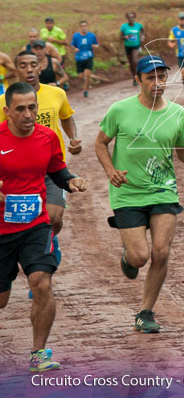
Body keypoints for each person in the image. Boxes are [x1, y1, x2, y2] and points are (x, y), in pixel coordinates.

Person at [95, 55, 184, 333]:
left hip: (163, 190)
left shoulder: (177, 113)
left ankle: (145, 312)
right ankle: (128, 256)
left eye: (162, 77)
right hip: (127, 193)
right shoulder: (120, 110)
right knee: (140, 257)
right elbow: (100, 143)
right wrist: (110, 170)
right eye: (151, 78)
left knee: (161, 252)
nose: (158, 83)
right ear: (138, 80)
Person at [1, 82, 87, 372]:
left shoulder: (48, 137)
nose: (28, 114)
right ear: (7, 111)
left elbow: (56, 170)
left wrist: (70, 180)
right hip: (1, 228)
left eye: (32, 107)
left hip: (36, 224)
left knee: (41, 282)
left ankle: (39, 353)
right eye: (20, 108)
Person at [1, 52, 82, 272]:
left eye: (33, 65)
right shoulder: (4, 101)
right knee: (17, 217)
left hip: (48, 165)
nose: (29, 69)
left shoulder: (57, 94)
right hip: (14, 169)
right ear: (16, 69)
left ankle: (44, 248)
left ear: (41, 68)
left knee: (53, 217)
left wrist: (73, 138)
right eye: (23, 66)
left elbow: (67, 116)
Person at [70, 20, 99, 98]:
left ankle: (85, 90)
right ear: (80, 27)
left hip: (89, 57)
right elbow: (72, 45)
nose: (84, 28)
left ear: (87, 27)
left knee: (87, 74)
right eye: (82, 26)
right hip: (79, 58)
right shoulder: (76, 36)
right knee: (80, 76)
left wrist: (94, 46)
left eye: (85, 26)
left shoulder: (92, 35)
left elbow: (97, 44)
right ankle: (87, 82)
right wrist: (75, 49)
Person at [120, 12, 145, 79]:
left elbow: (143, 31)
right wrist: (126, 37)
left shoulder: (138, 26)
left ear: (134, 18)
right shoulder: (124, 27)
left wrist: (142, 37)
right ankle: (134, 77)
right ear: (127, 18)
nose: (131, 19)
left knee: (134, 61)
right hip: (128, 46)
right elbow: (121, 37)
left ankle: (138, 74)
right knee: (131, 63)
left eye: (132, 17)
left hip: (136, 45)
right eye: (129, 17)